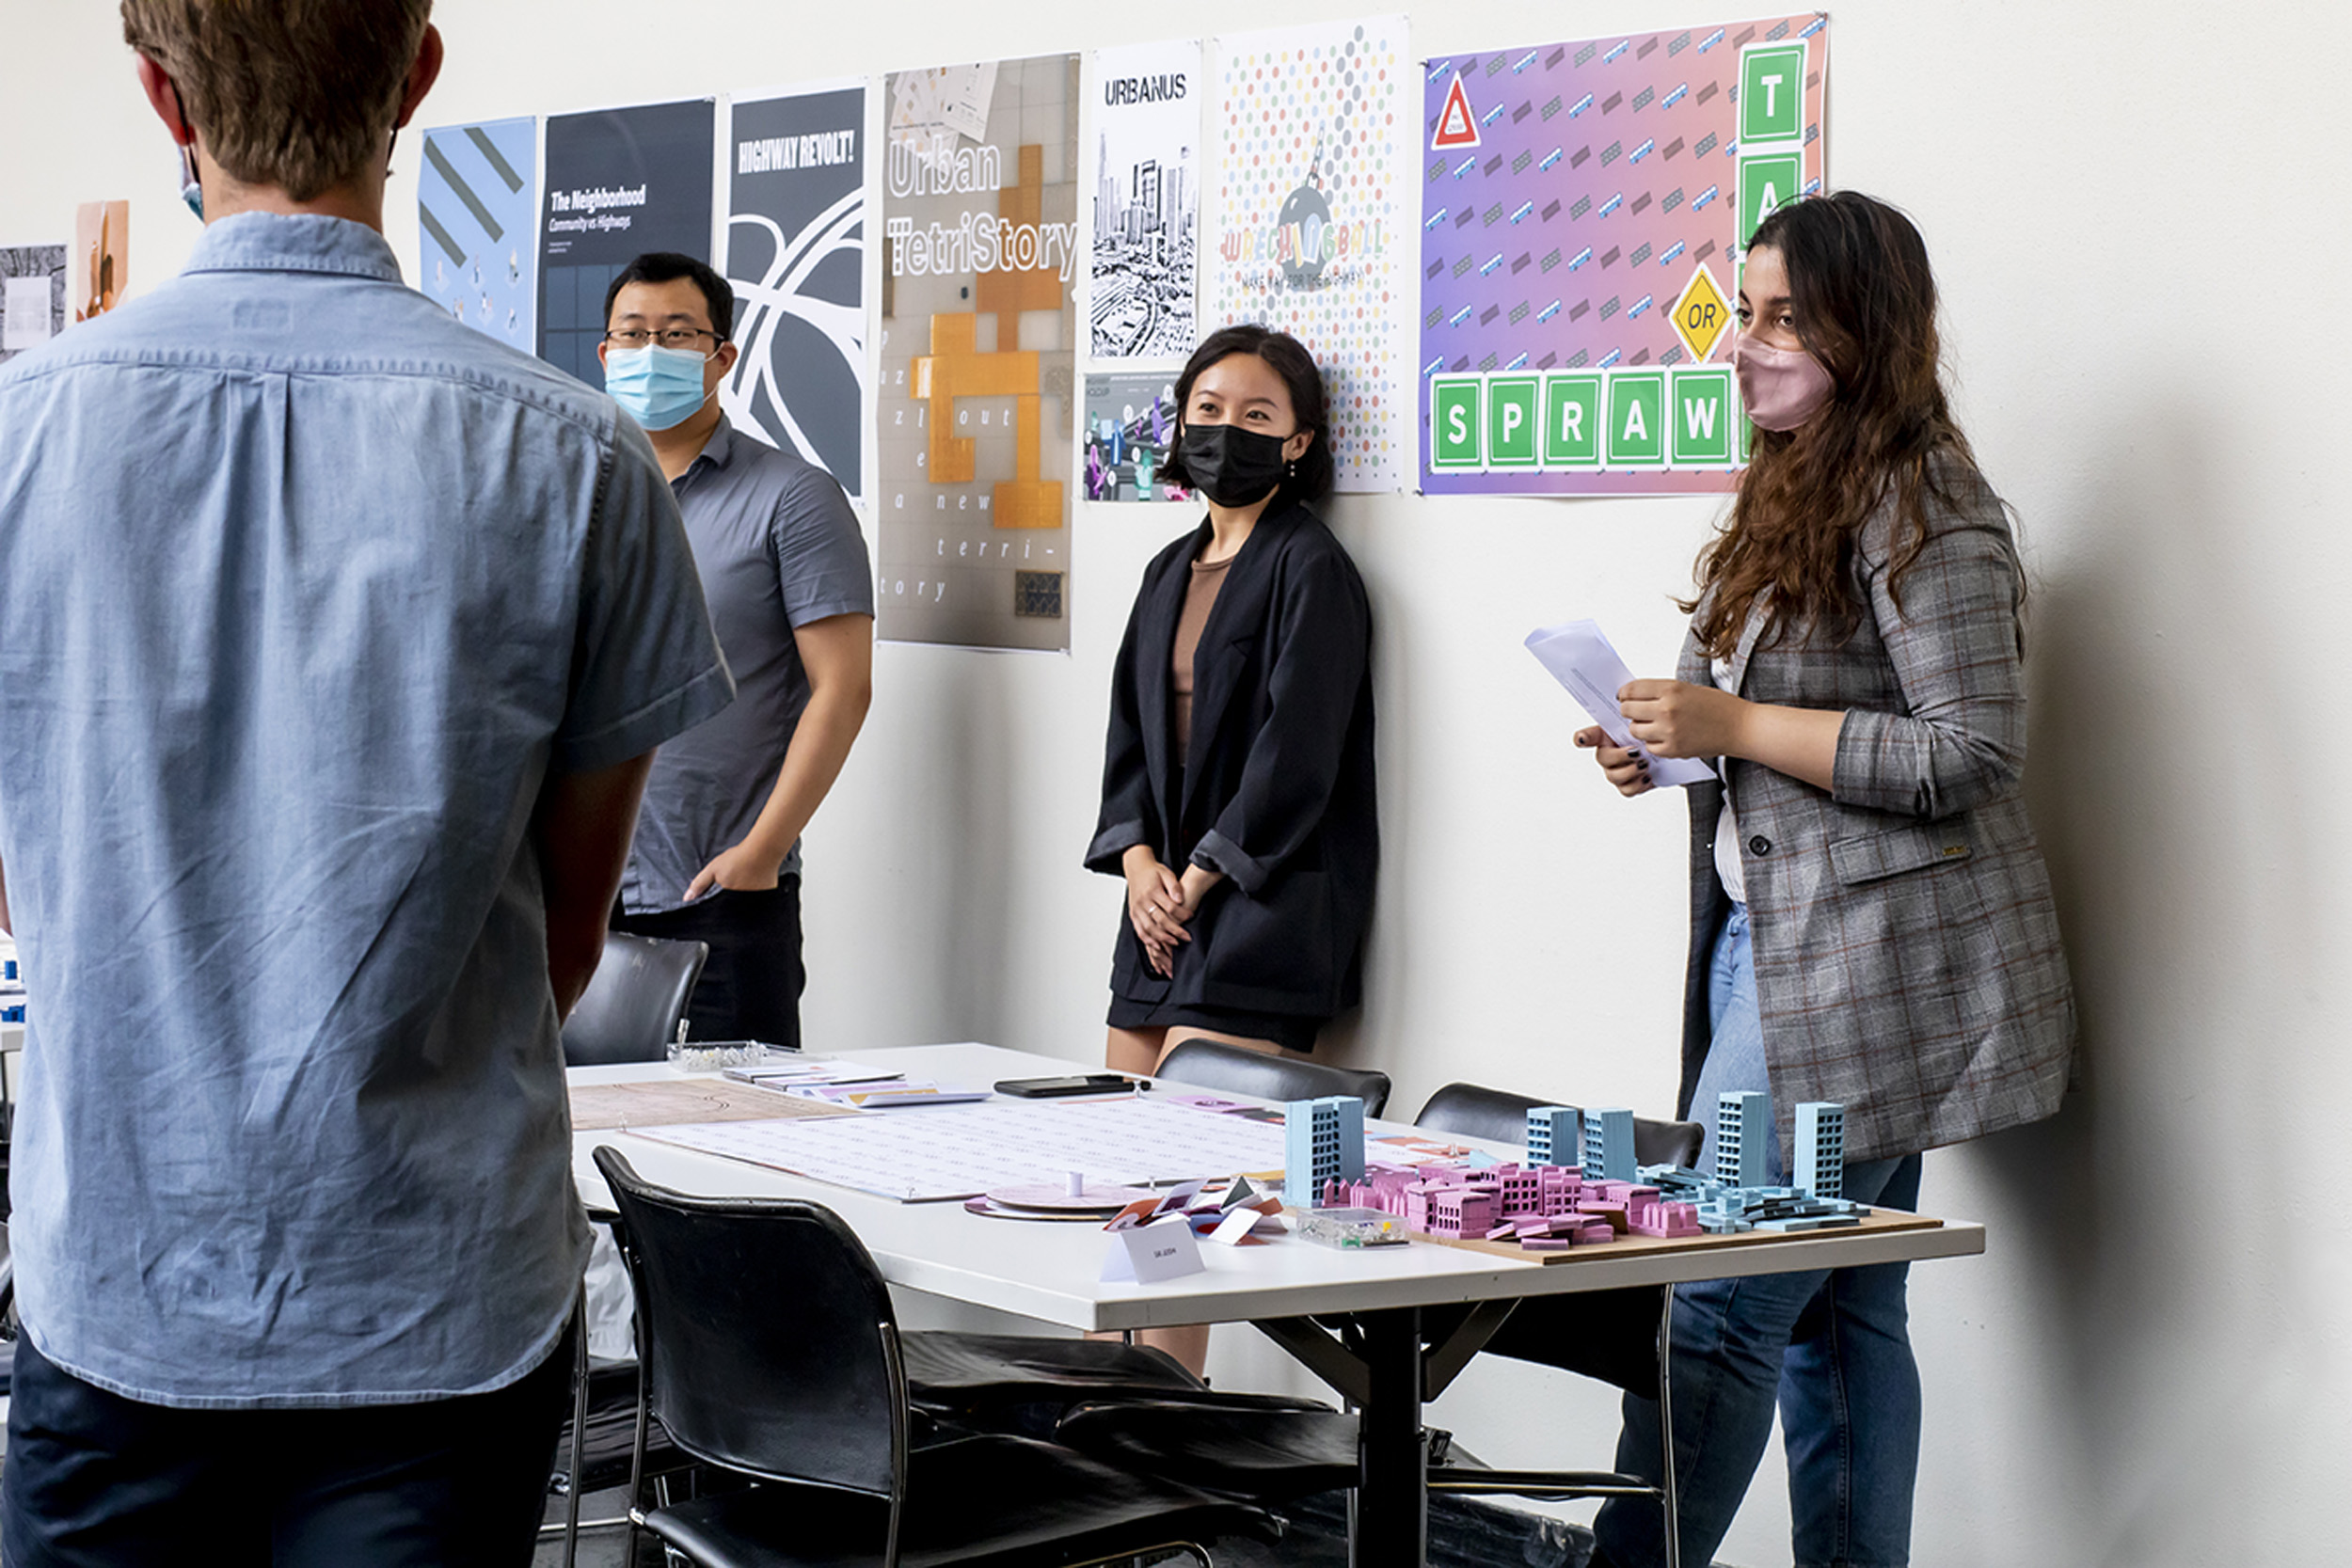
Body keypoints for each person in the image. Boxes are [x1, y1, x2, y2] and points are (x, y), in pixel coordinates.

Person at [0, 5, 733, 1561]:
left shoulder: (18, 435)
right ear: (417, 75)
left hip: (122, 1279)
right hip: (433, 1295)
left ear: (157, 91)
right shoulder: (577, 458)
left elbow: (27, 890)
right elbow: (565, 938)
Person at [1573, 192, 2075, 1568]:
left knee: (1718, 1302)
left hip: (1860, 972)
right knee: (1842, 1313)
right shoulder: (1793, 482)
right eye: (1747, 310)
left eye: (1786, 315)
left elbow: (1968, 749)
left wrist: (1732, 727)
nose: (1750, 340)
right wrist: (1675, 749)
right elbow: (1794, 730)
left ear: (1871, 324)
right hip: (1778, 943)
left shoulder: (1927, 501)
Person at [598, 253, 874, 1049]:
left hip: (719, 884)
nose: (652, 351)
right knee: (578, 1130)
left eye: (677, 334)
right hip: (585, 882)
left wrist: (761, 851)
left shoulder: (792, 498)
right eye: (633, 334)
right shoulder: (582, 488)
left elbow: (843, 690)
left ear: (722, 355)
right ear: (605, 353)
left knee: (737, 1134)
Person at [1087, 325, 1376, 1078]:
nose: (1225, 429)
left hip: (1258, 905)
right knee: (1113, 1134)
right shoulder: (1166, 571)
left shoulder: (1311, 567)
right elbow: (1129, 739)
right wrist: (1140, 867)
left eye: (1257, 416)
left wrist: (1198, 879)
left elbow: (1299, 755)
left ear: (1297, 441)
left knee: (1189, 1153)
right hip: (1158, 907)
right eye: (1208, 409)